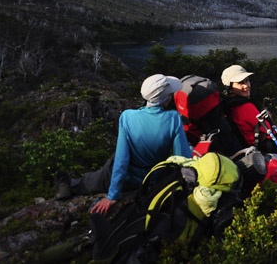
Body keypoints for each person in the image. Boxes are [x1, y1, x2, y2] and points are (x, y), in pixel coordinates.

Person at [56, 74, 193, 215]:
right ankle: (68, 182)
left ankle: (67, 182)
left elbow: (122, 160)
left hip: (128, 178)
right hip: (152, 179)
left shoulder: (127, 117)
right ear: (166, 97)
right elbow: (182, 158)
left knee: (94, 178)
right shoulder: (173, 118)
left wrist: (113, 196)